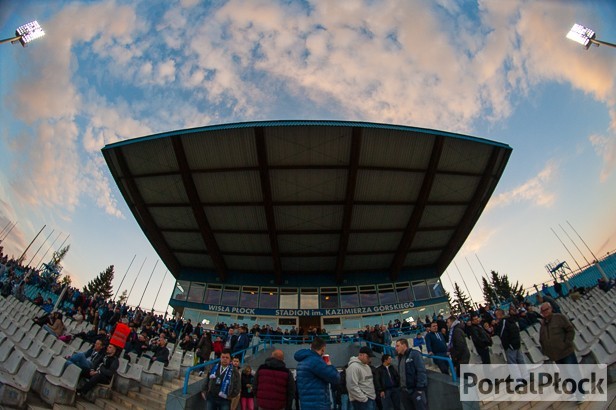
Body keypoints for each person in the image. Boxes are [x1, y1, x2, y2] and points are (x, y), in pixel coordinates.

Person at [294, 337, 340, 410]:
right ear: (322, 349)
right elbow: (335, 377)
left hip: (305, 404)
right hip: (318, 404)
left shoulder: (302, 360)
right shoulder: (316, 361)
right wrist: (329, 365)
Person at [395, 338, 427, 410]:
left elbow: (421, 371)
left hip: (415, 390)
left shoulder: (415, 354)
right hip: (404, 391)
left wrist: (419, 388)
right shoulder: (400, 357)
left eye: (397, 346)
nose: (396, 348)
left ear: (404, 345)